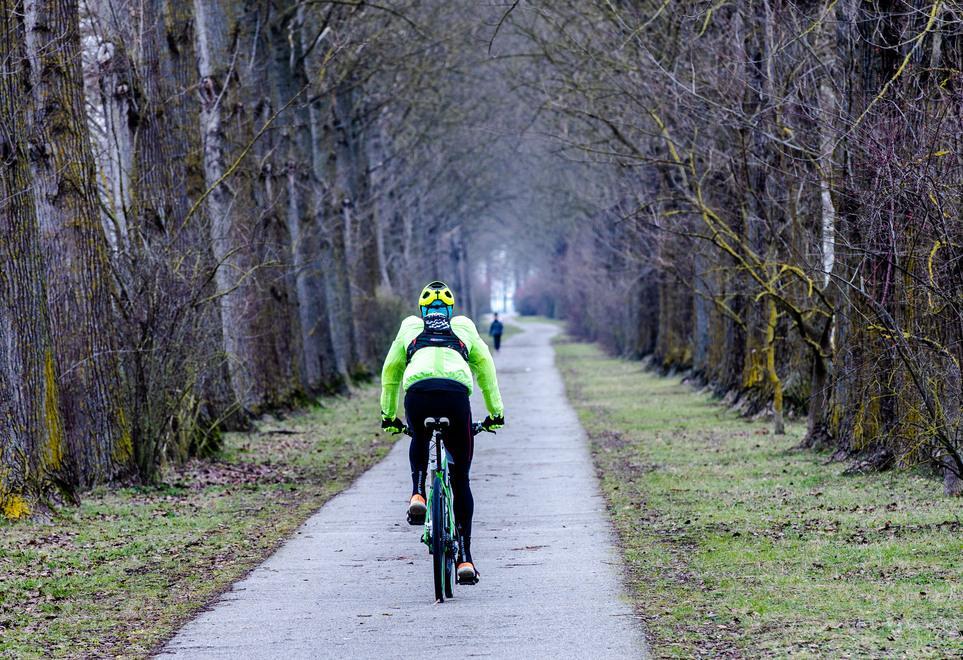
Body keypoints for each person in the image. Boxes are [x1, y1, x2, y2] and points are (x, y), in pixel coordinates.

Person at [380, 281, 505, 584]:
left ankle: (418, 492)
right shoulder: (463, 326)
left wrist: (389, 416)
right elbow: (485, 369)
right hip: (455, 396)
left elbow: (391, 371)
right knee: (460, 479)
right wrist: (496, 413)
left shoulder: (410, 327)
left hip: (418, 394)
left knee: (419, 436)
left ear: (422, 310)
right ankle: (465, 559)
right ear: (450, 310)